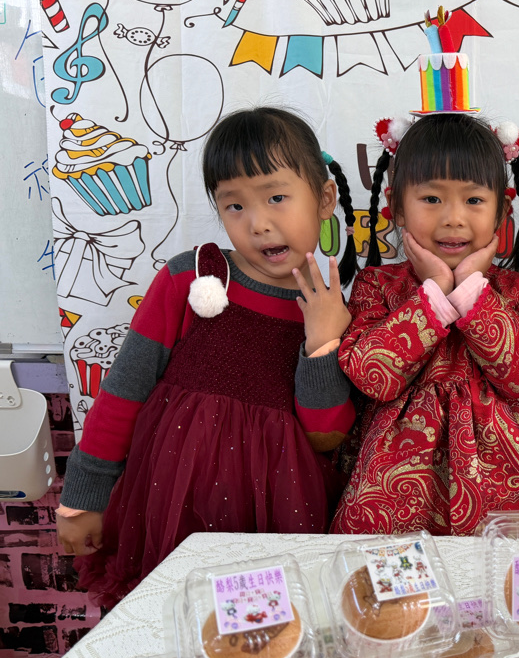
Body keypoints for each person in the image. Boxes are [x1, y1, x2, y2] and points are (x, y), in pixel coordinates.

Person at [56, 107, 357, 607]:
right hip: (169, 504)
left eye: (277, 197)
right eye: (234, 206)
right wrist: (82, 497)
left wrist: (321, 341)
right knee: (170, 618)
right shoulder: (192, 277)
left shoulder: (335, 306)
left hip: (272, 512)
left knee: (264, 628)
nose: (258, 223)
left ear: (324, 199)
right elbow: (123, 392)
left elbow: (324, 434)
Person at [326, 113, 519, 535]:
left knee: (504, 575)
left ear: (502, 211)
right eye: (432, 199)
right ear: (396, 206)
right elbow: (373, 376)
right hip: (390, 497)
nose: (453, 218)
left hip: (501, 495)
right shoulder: (377, 285)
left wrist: (470, 290)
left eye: (474, 200)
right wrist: (434, 292)